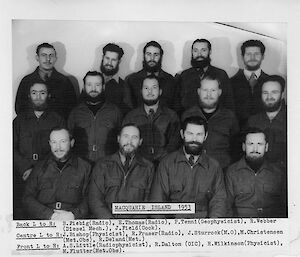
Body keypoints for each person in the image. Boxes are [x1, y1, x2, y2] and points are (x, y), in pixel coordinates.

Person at [150, 116, 227, 218]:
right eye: (190, 134)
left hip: (203, 227)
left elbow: (219, 202)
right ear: (182, 134)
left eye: (199, 134)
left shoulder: (214, 166)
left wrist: (211, 228)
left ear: (205, 136)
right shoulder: (167, 163)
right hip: (173, 226)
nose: (194, 139)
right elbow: (157, 201)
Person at [13, 81, 65, 219]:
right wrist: (24, 168)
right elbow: (10, 148)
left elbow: (61, 150)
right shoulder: (19, 121)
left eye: (42, 93)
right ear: (29, 96)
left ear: (48, 95)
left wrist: (40, 171)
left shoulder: (58, 119)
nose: (38, 97)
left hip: (48, 176)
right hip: (23, 175)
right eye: (34, 93)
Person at [23, 127, 91, 220]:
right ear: (50, 144)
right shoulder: (39, 167)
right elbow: (27, 198)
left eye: (63, 141)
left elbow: (91, 198)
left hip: (72, 220)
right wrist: (50, 215)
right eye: (54, 142)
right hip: (45, 219)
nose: (58, 147)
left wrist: (73, 215)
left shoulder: (85, 167)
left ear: (71, 143)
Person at [88, 124, 154, 219]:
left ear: (140, 142)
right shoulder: (102, 165)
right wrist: (111, 223)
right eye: (125, 136)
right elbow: (94, 199)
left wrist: (134, 224)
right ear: (118, 139)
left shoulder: (148, 167)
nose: (129, 141)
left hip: (135, 227)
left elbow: (148, 201)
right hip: (107, 225)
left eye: (134, 137)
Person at [225, 128, 287, 217]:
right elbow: (226, 207)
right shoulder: (231, 172)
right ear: (244, 146)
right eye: (250, 144)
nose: (255, 149)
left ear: (266, 147)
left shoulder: (278, 173)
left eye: (260, 144)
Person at [182, 75, 239, 169]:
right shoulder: (187, 115)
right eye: (205, 90)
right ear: (199, 92)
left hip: (222, 170)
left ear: (219, 92)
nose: (209, 94)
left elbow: (236, 148)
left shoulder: (230, 117)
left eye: (213, 90)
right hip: (192, 170)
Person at [123, 75, 180, 166]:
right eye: (146, 88)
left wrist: (161, 160)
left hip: (164, 165)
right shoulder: (131, 117)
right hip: (138, 166)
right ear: (141, 91)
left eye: (154, 88)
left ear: (160, 91)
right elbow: (126, 143)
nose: (150, 91)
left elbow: (174, 144)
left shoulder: (171, 116)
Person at [68, 71, 122, 163]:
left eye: (97, 85)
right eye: (89, 85)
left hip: (108, 165)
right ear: (84, 87)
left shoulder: (114, 111)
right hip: (82, 165)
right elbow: (68, 141)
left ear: (103, 87)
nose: (93, 89)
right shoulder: (75, 113)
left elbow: (122, 140)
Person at [15, 42, 77, 119]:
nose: (48, 59)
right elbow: (19, 108)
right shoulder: (26, 81)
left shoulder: (65, 82)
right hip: (32, 128)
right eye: (44, 55)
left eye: (51, 55)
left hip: (58, 127)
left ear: (56, 58)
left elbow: (72, 109)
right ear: (37, 58)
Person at [175, 38, 234, 113]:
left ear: (210, 52)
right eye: (195, 51)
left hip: (216, 120)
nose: (199, 54)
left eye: (203, 50)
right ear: (192, 52)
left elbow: (229, 103)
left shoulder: (221, 74)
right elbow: (177, 104)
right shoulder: (184, 75)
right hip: (189, 119)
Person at [247, 75, 287, 168]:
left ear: (282, 94)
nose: (269, 97)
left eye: (274, 92)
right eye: (265, 92)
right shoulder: (252, 121)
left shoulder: (292, 119)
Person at [125, 41, 176, 109]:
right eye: (148, 54)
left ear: (161, 57)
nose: (152, 58)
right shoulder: (132, 80)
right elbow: (128, 107)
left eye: (156, 55)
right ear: (144, 56)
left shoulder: (170, 80)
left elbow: (174, 108)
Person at [231, 39, 269, 127]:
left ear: (263, 56)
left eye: (256, 54)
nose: (252, 58)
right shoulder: (230, 83)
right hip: (238, 134)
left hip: (265, 132)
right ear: (242, 56)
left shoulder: (271, 82)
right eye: (248, 54)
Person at [100, 43, 131, 114]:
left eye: (113, 60)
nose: (109, 63)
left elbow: (128, 113)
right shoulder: (91, 80)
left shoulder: (124, 86)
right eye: (107, 58)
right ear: (102, 58)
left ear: (119, 62)